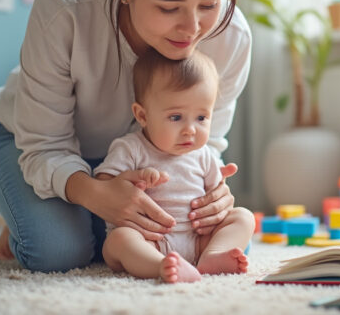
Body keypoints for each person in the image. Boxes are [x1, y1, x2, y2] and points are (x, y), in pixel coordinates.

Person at [0, 0, 251, 273]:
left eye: (209, 2)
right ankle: (29, 220)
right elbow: (44, 145)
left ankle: (61, 221)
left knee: (176, 232)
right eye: (169, 7)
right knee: (57, 253)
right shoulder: (62, 13)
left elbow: (207, 142)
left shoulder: (231, 35)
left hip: (146, 157)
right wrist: (95, 192)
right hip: (34, 141)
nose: (191, 28)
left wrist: (215, 197)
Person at [94, 49, 254, 283]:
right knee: (118, 241)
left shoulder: (204, 154)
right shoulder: (131, 148)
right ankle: (161, 265)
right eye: (176, 117)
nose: (191, 129)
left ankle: (212, 256)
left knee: (244, 217)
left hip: (198, 237)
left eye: (201, 118)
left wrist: (221, 184)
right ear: (142, 115)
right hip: (149, 239)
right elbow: (104, 187)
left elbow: (217, 201)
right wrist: (134, 180)